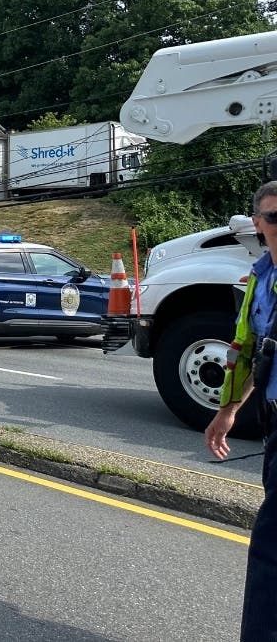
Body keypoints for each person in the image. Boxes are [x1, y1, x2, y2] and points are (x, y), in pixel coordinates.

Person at [206, 179, 277, 640]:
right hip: (275, 424)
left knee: (271, 544)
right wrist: (228, 409)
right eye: (275, 217)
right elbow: (249, 349)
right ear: (257, 224)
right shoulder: (260, 276)